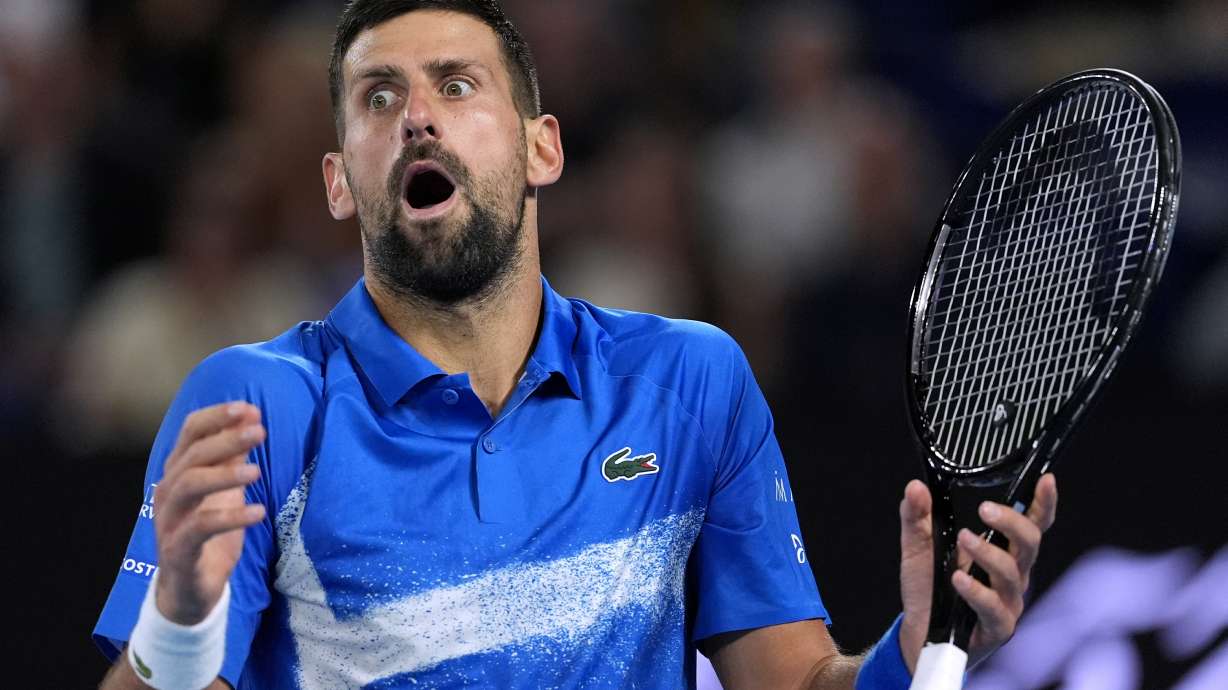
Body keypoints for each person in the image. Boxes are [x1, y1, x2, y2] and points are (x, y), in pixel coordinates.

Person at [94, 2, 1058, 688]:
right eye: (380, 99)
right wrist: (179, 622)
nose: (418, 114)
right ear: (341, 180)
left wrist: (916, 649)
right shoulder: (256, 403)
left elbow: (793, 682)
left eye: (457, 85)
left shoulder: (688, 380)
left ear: (542, 148)